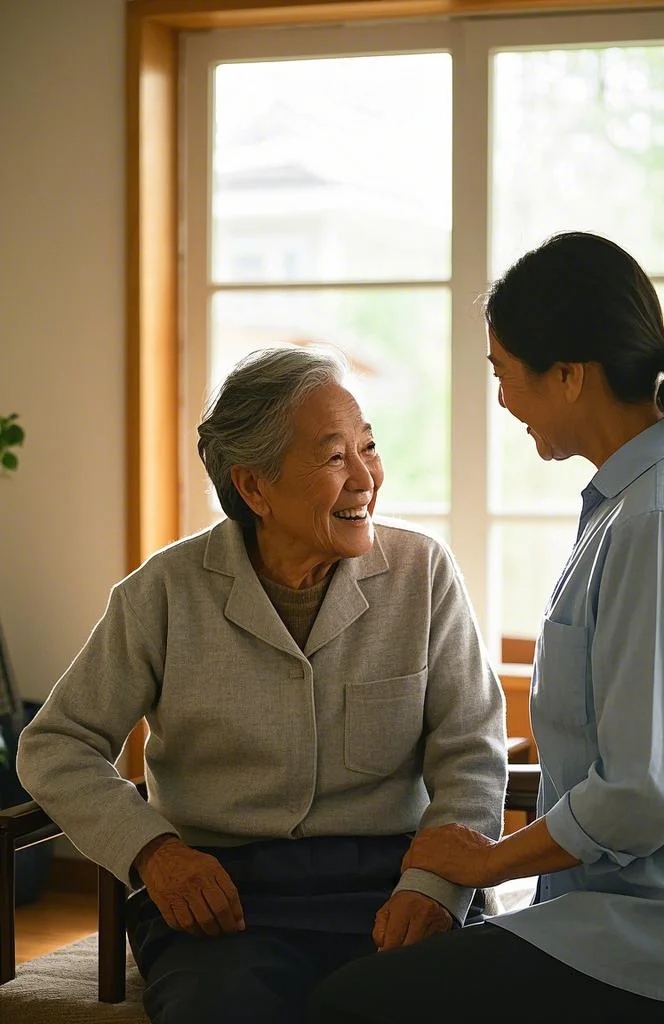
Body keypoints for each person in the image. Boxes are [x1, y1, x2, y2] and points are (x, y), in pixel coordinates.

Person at [305, 231, 664, 1023]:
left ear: (568, 375)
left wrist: (487, 861)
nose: (502, 400)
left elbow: (643, 796)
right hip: (621, 918)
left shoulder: (660, 523)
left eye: (502, 371)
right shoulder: (640, 498)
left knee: (354, 1005)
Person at [16, 345, 508, 1024]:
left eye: (368, 447)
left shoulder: (422, 575)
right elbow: (56, 745)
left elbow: (472, 751)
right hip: (226, 902)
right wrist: (154, 854)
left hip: (391, 881)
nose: (366, 477)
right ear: (254, 488)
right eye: (336, 457)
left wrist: (433, 887)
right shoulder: (163, 593)